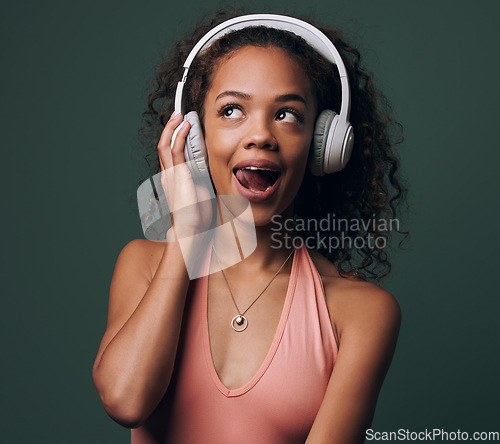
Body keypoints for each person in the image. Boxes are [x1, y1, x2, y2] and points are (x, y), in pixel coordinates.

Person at [93, 10, 407, 444]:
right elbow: (126, 402)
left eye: (288, 115)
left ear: (323, 146)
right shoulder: (144, 266)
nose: (260, 135)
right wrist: (186, 235)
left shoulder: (361, 312)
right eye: (232, 110)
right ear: (194, 136)